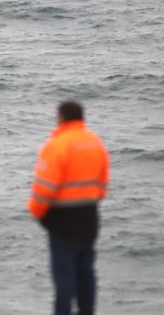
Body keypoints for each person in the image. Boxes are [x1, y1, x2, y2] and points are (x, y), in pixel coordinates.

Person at [28, 100, 110, 315]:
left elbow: (44, 188)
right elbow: (102, 184)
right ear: (82, 117)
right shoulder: (95, 142)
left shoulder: (57, 145)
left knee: (64, 278)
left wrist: (37, 213)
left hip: (63, 221)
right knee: (86, 273)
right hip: (89, 216)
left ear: (61, 117)